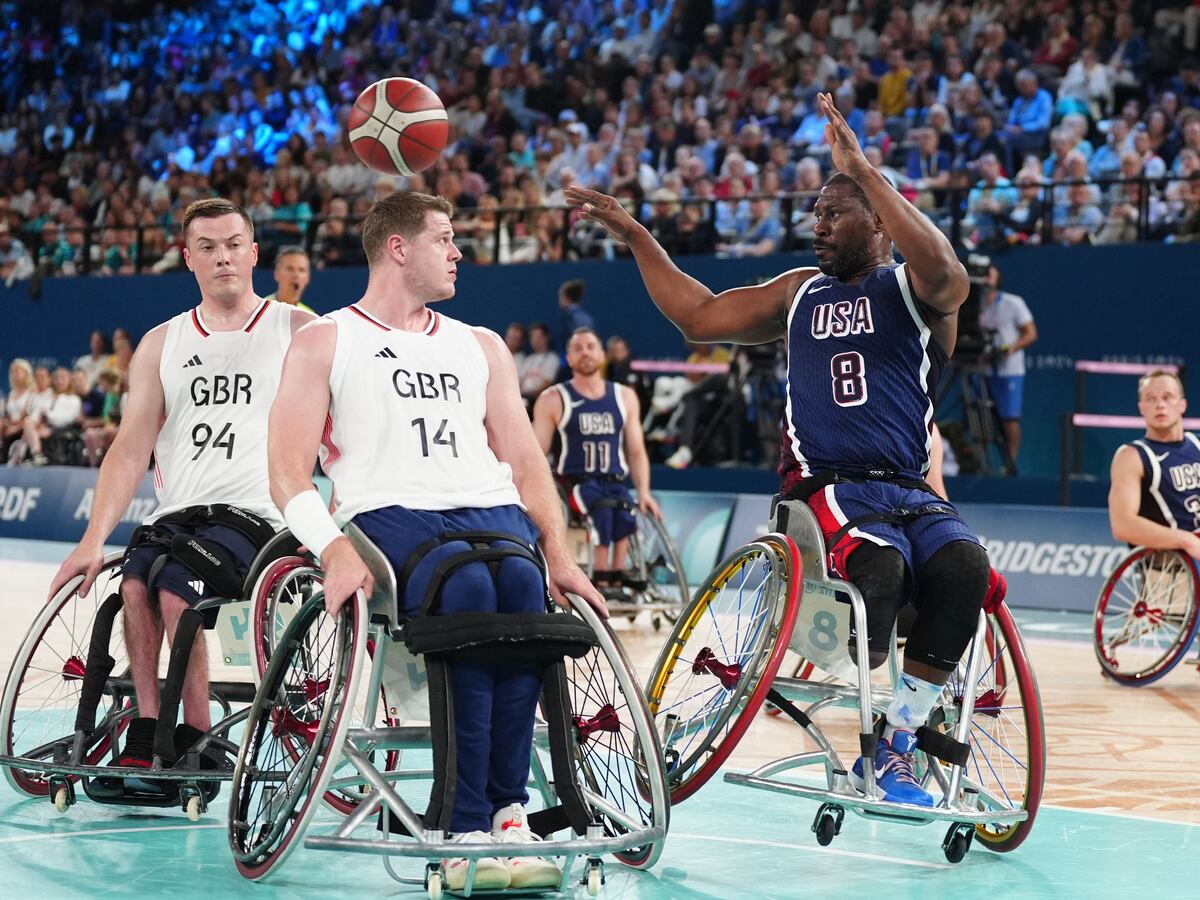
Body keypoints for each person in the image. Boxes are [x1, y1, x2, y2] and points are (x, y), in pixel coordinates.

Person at [566, 92, 992, 809]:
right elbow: (699, 315)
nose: (817, 226)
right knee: (881, 571)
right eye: (816, 214)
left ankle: (896, 739)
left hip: (908, 489)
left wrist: (863, 169)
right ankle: (877, 692)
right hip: (824, 486)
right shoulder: (799, 292)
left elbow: (950, 272)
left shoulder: (918, 294)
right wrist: (637, 234)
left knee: (966, 565)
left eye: (834, 212)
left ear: (879, 221)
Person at [267, 191, 605, 892]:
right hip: (388, 511)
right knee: (470, 590)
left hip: (488, 507)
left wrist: (561, 552)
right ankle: (461, 822)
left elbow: (523, 458)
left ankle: (509, 811)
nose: (457, 253)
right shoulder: (326, 339)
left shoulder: (479, 345)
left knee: (520, 590)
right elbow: (284, 471)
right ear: (399, 248)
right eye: (445, 239)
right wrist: (331, 548)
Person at [47, 198, 313, 783]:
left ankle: (196, 733)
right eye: (209, 248)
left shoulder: (297, 330)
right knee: (136, 584)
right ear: (187, 256)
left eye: (234, 245)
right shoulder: (162, 343)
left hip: (259, 517)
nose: (224, 258)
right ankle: (147, 727)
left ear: (254, 252)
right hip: (179, 514)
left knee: (173, 588)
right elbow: (128, 449)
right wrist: (93, 538)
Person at [532, 327, 661, 581]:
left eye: (591, 347)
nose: (585, 353)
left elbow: (636, 451)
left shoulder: (625, 396)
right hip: (575, 483)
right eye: (577, 348)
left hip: (613, 480)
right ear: (568, 358)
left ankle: (619, 576)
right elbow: (537, 452)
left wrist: (644, 492)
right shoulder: (554, 398)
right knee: (601, 510)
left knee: (625, 510)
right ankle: (601, 576)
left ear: (602, 356)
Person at [1108, 370, 1200, 557]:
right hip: (1171, 571)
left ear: (1182, 405)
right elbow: (1122, 525)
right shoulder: (1132, 456)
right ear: (1141, 407)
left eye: (1167, 397)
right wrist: (1186, 540)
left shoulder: (1197, 445)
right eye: (1150, 399)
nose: (1160, 405)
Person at [977, 263, 1037, 466]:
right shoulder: (975, 303)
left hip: (1009, 370)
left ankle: (1009, 464)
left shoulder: (1013, 303)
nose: (986, 279)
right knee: (979, 417)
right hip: (982, 368)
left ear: (998, 278)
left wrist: (1011, 347)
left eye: (989, 275)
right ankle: (980, 465)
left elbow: (1031, 333)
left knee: (1009, 419)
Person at [264, 245, 315, 313]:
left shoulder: (310, 316)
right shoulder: (261, 310)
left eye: (301, 270)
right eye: (290, 269)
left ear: (308, 278)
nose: (296, 275)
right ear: (276, 274)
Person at [555, 278, 594, 352]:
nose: (559, 300)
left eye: (560, 296)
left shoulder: (568, 318)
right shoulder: (587, 317)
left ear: (565, 297)